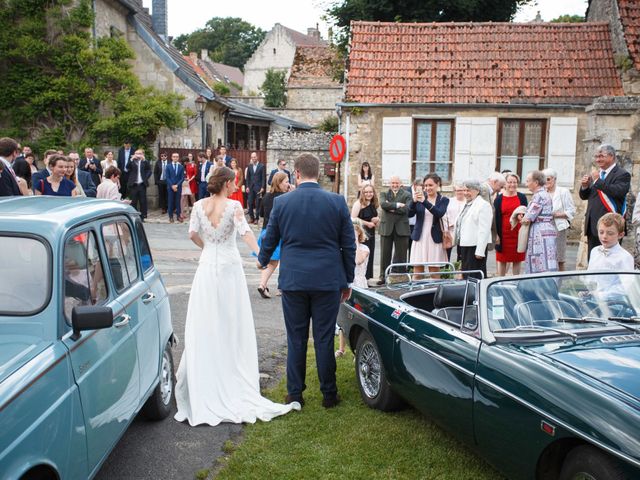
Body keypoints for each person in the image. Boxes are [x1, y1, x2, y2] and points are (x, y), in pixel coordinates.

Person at [174, 167, 300, 426]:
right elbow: (245, 233)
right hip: (229, 269)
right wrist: (261, 258)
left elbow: (192, 234)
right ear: (227, 183)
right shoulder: (233, 207)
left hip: (207, 268)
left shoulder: (198, 205)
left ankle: (206, 380)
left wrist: (208, 248)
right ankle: (231, 375)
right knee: (232, 322)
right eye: (234, 183)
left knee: (206, 322)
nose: (235, 187)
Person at [258, 154, 355, 409]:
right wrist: (347, 280)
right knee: (324, 338)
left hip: (294, 280)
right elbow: (348, 245)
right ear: (319, 174)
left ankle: (295, 394)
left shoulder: (282, 203)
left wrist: (262, 259)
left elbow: (270, 238)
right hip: (327, 280)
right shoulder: (336, 202)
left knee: (296, 338)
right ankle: (329, 394)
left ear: (297, 174)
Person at [579, 144, 631, 259]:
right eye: (596, 156)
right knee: (593, 260)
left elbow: (618, 192)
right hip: (593, 225)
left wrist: (597, 180)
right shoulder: (597, 174)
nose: (598, 159)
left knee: (611, 260)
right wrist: (584, 186)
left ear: (612, 156)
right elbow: (585, 196)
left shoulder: (622, 174)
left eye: (601, 156)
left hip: (611, 226)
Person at [336, 219, 369, 358]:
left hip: (360, 285)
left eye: (354, 233)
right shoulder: (342, 249)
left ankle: (358, 350)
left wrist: (353, 244)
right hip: (347, 284)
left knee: (360, 318)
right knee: (343, 316)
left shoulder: (364, 249)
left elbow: (357, 261)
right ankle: (341, 348)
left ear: (359, 233)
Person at [409, 173, 449, 276]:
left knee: (434, 273)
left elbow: (439, 213)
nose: (427, 188)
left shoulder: (443, 200)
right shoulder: (419, 198)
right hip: (420, 237)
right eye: (425, 186)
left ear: (437, 185)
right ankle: (417, 292)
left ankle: (434, 292)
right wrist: (413, 202)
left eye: (430, 185)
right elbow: (409, 214)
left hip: (434, 238)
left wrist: (424, 201)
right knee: (417, 273)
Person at [256, 172, 289, 299]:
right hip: (277, 234)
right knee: (274, 263)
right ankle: (263, 285)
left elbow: (262, 214)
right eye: (286, 181)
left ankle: (265, 285)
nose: (288, 184)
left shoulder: (266, 197)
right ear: (279, 183)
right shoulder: (285, 198)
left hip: (265, 231)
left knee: (268, 261)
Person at [588, 213, 634, 297]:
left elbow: (625, 286)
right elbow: (590, 277)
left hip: (613, 304)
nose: (604, 236)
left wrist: (603, 295)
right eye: (601, 232)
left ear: (620, 235)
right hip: (592, 299)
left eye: (610, 233)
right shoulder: (594, 251)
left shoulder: (625, 257)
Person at [521, 170, 558, 274]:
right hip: (547, 229)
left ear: (536, 183)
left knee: (540, 261)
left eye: (528, 181)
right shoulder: (545, 194)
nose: (526, 183)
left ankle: (539, 286)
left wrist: (520, 217)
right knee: (548, 260)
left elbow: (528, 217)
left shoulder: (539, 196)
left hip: (539, 232)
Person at [454, 179, 492, 279]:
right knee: (466, 275)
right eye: (465, 190)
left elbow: (484, 230)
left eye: (469, 190)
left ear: (477, 190)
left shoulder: (483, 205)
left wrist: (480, 251)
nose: (466, 193)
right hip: (465, 245)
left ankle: (476, 294)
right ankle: (468, 294)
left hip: (475, 248)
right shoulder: (467, 204)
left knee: (475, 276)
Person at [377, 175, 411, 285]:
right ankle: (383, 277)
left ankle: (400, 277)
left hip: (402, 228)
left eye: (397, 183)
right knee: (384, 254)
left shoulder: (407, 195)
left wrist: (390, 208)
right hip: (386, 227)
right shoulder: (384, 194)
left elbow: (406, 209)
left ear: (400, 184)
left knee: (402, 255)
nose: (395, 185)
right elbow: (383, 205)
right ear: (389, 184)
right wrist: (397, 205)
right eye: (393, 183)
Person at [494, 172, 528, 276]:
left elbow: (526, 212)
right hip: (503, 234)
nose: (512, 185)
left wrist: (522, 216)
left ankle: (516, 281)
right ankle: (500, 282)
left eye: (515, 182)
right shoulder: (499, 199)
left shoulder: (522, 197)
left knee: (517, 259)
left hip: (518, 233)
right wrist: (496, 235)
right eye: (509, 182)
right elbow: (495, 218)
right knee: (502, 260)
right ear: (505, 184)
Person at [543, 168, 576, 271]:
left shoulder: (563, 192)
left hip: (558, 227)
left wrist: (556, 215)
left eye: (548, 179)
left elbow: (571, 211)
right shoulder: (542, 192)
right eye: (543, 179)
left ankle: (560, 282)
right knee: (545, 256)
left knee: (559, 257)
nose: (546, 182)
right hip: (544, 227)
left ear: (554, 179)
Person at [351, 184, 379, 280]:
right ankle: (359, 278)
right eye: (366, 192)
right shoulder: (358, 203)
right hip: (361, 233)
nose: (368, 194)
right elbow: (353, 219)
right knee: (361, 256)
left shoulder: (373, 203)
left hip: (371, 233)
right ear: (362, 193)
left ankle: (366, 278)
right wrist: (367, 223)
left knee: (369, 256)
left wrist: (377, 219)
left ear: (373, 193)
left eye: (370, 192)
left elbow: (373, 216)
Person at [481, 171, 506, 250]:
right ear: (495, 182)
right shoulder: (484, 190)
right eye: (501, 187)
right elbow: (487, 215)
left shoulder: (487, 191)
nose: (500, 190)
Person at [127, 149, 151, 221]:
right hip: (133, 184)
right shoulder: (132, 161)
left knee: (142, 201)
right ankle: (134, 215)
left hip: (141, 184)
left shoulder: (145, 161)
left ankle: (143, 216)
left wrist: (145, 178)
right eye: (136, 153)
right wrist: (131, 159)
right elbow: (127, 168)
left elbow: (149, 170)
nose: (138, 155)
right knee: (133, 201)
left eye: (139, 153)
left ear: (142, 154)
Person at [446, 183, 466, 261]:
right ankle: (446, 269)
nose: (459, 192)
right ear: (454, 191)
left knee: (461, 252)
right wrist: (449, 224)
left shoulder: (467, 202)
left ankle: (459, 268)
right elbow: (445, 214)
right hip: (450, 228)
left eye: (461, 190)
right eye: (457, 190)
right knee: (448, 250)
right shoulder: (449, 201)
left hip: (463, 230)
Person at [245, 152, 265, 224]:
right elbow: (248, 178)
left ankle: (256, 218)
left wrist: (262, 187)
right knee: (250, 203)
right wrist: (247, 186)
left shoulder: (262, 166)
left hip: (258, 188)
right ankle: (251, 217)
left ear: (257, 157)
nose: (253, 158)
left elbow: (263, 178)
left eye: (254, 157)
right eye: (252, 157)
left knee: (257, 204)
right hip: (250, 188)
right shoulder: (249, 166)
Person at [166, 152, 185, 223]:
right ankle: (170, 216)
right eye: (174, 157)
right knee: (170, 201)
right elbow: (167, 177)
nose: (175, 158)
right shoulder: (168, 166)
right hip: (170, 187)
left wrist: (177, 185)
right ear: (171, 157)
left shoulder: (181, 167)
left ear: (178, 158)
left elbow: (182, 178)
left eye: (177, 157)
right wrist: (172, 186)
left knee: (178, 202)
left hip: (178, 187)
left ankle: (178, 216)